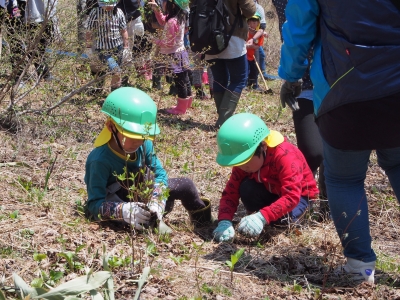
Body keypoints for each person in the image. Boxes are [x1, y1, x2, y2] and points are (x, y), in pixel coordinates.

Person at [278, 0, 400, 284]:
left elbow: (299, 27)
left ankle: (360, 268)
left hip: (343, 90)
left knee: (344, 179)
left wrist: (292, 76)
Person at [84, 87, 212, 232]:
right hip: (126, 209)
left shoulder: (144, 144)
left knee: (186, 185)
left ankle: (205, 225)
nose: (137, 142)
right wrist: (123, 210)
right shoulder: (99, 160)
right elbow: (94, 203)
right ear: (111, 127)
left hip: (148, 199)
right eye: (131, 135)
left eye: (142, 137)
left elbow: (160, 174)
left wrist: (157, 201)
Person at [212, 113, 319, 242]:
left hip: (300, 197)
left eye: (245, 161)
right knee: (247, 188)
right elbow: (231, 192)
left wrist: (263, 217)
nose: (242, 167)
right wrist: (224, 220)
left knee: (283, 221)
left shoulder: (285, 156)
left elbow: (291, 196)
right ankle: (258, 218)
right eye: (238, 163)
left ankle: (264, 218)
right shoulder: (244, 164)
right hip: (272, 191)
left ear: (263, 146)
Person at [272, 0, 326, 209]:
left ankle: (329, 206)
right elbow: (295, 35)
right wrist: (292, 76)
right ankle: (299, 198)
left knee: (336, 155)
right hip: (306, 84)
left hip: (339, 82)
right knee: (313, 152)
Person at [203, 0, 256, 128]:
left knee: (219, 79)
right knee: (239, 79)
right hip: (232, 39)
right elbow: (250, 11)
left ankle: (222, 119)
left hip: (208, 39)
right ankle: (223, 120)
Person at [148, 0, 192, 115]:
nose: (163, 3)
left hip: (175, 55)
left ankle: (180, 109)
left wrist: (155, 40)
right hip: (181, 52)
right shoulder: (179, 17)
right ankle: (187, 103)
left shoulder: (172, 21)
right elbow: (163, 21)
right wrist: (157, 9)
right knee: (185, 78)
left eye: (165, 2)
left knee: (180, 81)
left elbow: (169, 43)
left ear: (172, 5)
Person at [85, 0, 131, 91]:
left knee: (117, 72)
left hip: (118, 47)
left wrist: (126, 47)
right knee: (115, 70)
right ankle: (98, 88)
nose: (108, 7)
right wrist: (88, 47)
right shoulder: (95, 12)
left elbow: (124, 30)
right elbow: (89, 31)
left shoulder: (119, 12)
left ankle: (115, 92)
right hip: (103, 49)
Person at [245, 13, 264, 92]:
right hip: (245, 55)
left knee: (255, 70)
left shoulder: (259, 34)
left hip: (254, 55)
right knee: (246, 70)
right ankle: (244, 85)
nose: (252, 25)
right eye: (250, 22)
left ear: (258, 23)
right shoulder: (245, 32)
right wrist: (248, 46)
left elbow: (258, 46)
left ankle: (254, 85)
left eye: (254, 23)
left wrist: (252, 46)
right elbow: (242, 45)